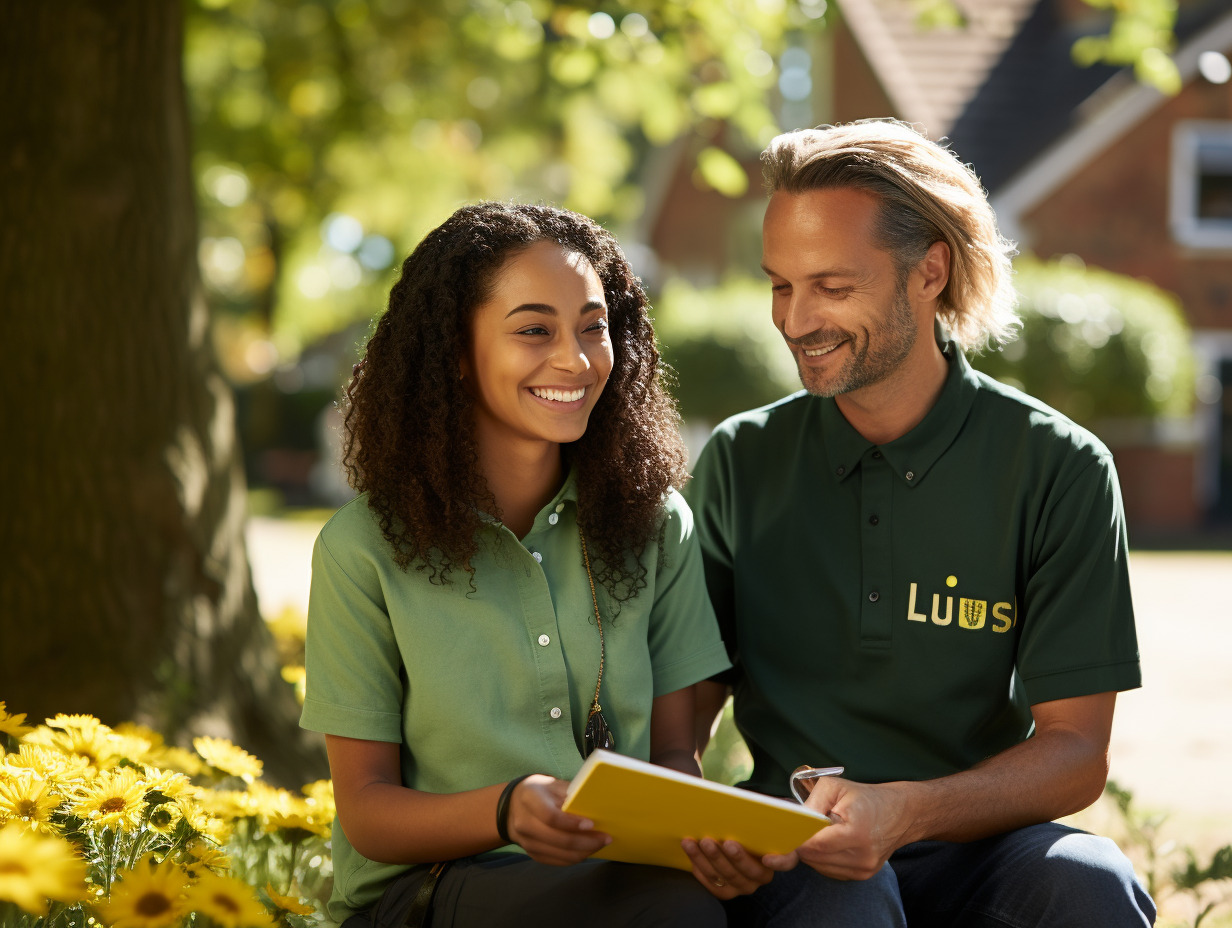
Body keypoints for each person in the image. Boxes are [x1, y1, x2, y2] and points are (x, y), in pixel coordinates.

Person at [683, 120, 1156, 927]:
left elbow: (1077, 752)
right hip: (797, 851)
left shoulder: (1059, 467)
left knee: (1089, 882)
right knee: (845, 902)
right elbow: (681, 724)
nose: (796, 321)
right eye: (779, 285)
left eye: (832, 287)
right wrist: (701, 825)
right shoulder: (740, 459)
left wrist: (907, 810)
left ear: (928, 271)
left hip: (982, 845)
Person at [300, 202, 738, 927]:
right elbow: (369, 815)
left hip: (622, 885)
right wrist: (505, 811)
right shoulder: (363, 549)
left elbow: (674, 755)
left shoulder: (659, 525)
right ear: (455, 352)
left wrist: (702, 837)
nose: (575, 358)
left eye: (594, 328)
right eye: (534, 330)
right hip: (427, 894)